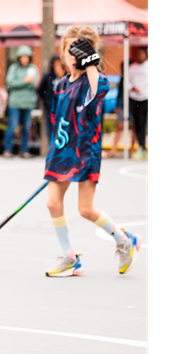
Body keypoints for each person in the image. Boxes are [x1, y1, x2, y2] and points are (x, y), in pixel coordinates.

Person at [43, 25, 142, 277]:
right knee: (53, 203)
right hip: (61, 151)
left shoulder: (96, 81)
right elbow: (57, 119)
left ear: (91, 53)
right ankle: (69, 256)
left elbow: (96, 91)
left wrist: (90, 63)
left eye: (80, 50)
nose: (73, 55)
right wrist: (55, 148)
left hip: (85, 152)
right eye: (69, 49)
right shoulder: (61, 84)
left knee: (85, 209)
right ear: (63, 52)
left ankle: (123, 240)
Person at [3, 45, 39, 159]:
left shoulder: (33, 68)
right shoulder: (14, 68)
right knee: (12, 126)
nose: (24, 59)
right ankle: (8, 149)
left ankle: (24, 150)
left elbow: (34, 84)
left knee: (26, 128)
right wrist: (25, 81)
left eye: (26, 57)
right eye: (22, 57)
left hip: (28, 102)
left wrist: (21, 83)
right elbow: (10, 82)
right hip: (15, 102)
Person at [106, 61, 136, 158]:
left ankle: (132, 149)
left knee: (134, 127)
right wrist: (118, 106)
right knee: (119, 126)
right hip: (123, 105)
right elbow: (120, 93)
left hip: (133, 105)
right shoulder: (123, 79)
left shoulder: (133, 79)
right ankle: (113, 149)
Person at [37, 54, 64, 154]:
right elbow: (40, 90)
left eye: (59, 64)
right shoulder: (48, 76)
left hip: (63, 107)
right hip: (51, 107)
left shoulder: (66, 76)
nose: (57, 66)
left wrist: (61, 76)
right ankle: (53, 150)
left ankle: (61, 149)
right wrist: (47, 100)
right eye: (55, 64)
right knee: (51, 129)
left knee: (62, 129)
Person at [128, 48, 148, 159]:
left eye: (142, 54)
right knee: (137, 123)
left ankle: (142, 146)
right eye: (138, 54)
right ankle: (140, 146)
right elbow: (127, 82)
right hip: (134, 98)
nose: (140, 56)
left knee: (144, 123)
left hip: (145, 98)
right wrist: (133, 87)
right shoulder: (132, 68)